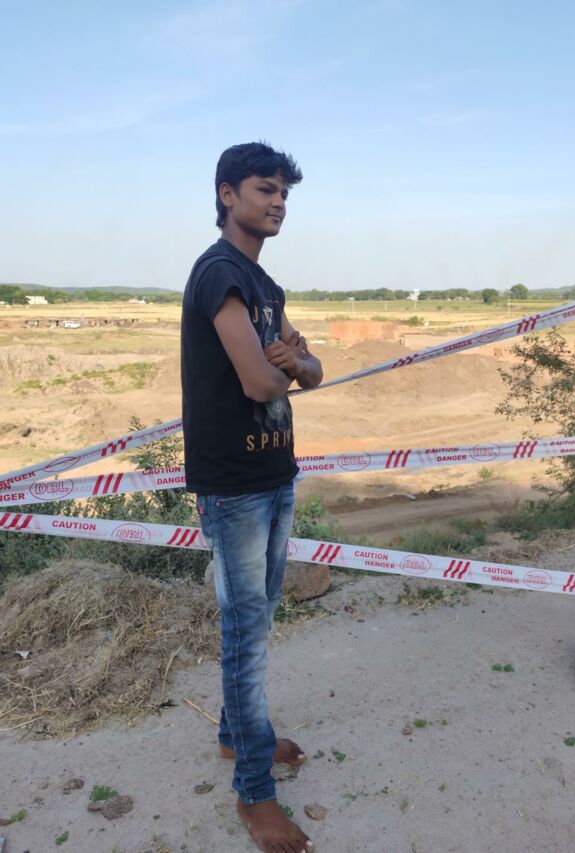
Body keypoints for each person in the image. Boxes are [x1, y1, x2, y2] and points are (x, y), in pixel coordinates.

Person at [181, 142, 323, 853]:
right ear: (227, 194)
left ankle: (239, 735)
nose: (278, 203)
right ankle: (254, 796)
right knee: (246, 633)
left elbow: (312, 370)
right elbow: (260, 382)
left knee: (255, 619)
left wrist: (294, 360)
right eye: (265, 189)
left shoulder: (266, 285)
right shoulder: (220, 274)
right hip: (234, 486)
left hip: (274, 473)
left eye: (284, 194)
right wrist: (286, 366)